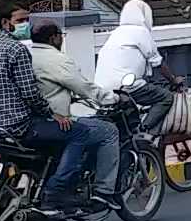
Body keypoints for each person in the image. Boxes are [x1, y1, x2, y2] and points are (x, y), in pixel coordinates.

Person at [0, 12, 107, 217]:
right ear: (4, 23)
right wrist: (51, 114)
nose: (26, 25)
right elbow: (29, 92)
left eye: (27, 20)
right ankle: (56, 190)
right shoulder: (16, 50)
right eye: (20, 20)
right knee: (79, 133)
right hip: (20, 126)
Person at [27, 21, 123, 207]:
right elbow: (83, 86)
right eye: (61, 35)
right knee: (108, 130)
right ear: (53, 37)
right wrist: (112, 99)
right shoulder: (56, 59)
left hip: (31, 121)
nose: (62, 39)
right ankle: (102, 191)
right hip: (53, 121)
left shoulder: (28, 56)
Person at [93, 0, 185, 132]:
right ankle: (143, 131)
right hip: (126, 87)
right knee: (165, 97)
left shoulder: (116, 33)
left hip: (102, 87)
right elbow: (158, 63)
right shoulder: (140, 32)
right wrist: (173, 80)